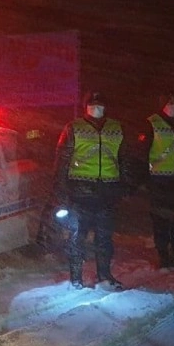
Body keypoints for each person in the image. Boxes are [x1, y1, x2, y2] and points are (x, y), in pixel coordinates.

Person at [52, 91, 130, 289]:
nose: (97, 108)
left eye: (100, 104)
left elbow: (124, 159)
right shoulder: (73, 128)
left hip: (107, 191)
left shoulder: (116, 128)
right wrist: (61, 190)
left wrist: (125, 185)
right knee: (78, 236)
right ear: (85, 106)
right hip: (80, 192)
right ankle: (76, 279)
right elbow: (62, 160)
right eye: (93, 104)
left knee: (105, 238)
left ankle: (105, 276)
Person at [138, 91, 174, 269]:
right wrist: (144, 177)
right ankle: (163, 254)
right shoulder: (151, 123)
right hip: (160, 179)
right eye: (169, 103)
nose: (173, 106)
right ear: (162, 105)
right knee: (161, 219)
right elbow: (143, 152)